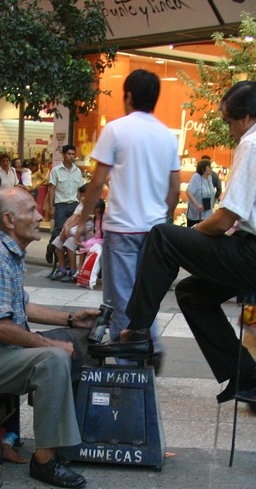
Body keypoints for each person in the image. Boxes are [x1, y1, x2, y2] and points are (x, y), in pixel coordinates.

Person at [86, 81, 256, 405]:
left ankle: (138, 330)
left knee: (163, 235)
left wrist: (188, 239)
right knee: (191, 292)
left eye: (229, 122)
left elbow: (224, 218)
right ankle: (244, 371)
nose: (230, 132)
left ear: (247, 117)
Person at [0, 187, 100, 489]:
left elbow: (21, 306)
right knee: (53, 358)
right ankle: (44, 460)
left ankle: (66, 438)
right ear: (8, 220)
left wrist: (70, 319)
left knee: (80, 340)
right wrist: (50, 345)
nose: (39, 215)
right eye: (31, 210)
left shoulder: (7, 252)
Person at [64, 69, 180, 364]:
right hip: (154, 231)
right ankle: (150, 344)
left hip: (123, 228)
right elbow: (174, 187)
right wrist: (162, 219)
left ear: (127, 96)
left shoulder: (116, 130)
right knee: (145, 294)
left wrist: (82, 220)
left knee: (119, 298)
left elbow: (98, 181)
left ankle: (128, 359)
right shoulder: (167, 136)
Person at [48, 145, 83, 242]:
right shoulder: (56, 170)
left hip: (74, 205)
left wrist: (80, 206)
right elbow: (52, 189)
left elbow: (79, 191)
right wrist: (51, 207)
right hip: (61, 206)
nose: (71, 156)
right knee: (58, 230)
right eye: (69, 154)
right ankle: (52, 250)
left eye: (73, 154)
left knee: (71, 231)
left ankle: (66, 256)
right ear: (63, 155)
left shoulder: (78, 171)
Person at [185, 160, 216, 227]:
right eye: (209, 167)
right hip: (196, 215)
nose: (211, 168)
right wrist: (197, 205)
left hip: (208, 214)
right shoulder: (196, 177)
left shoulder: (209, 178)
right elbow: (188, 192)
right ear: (203, 168)